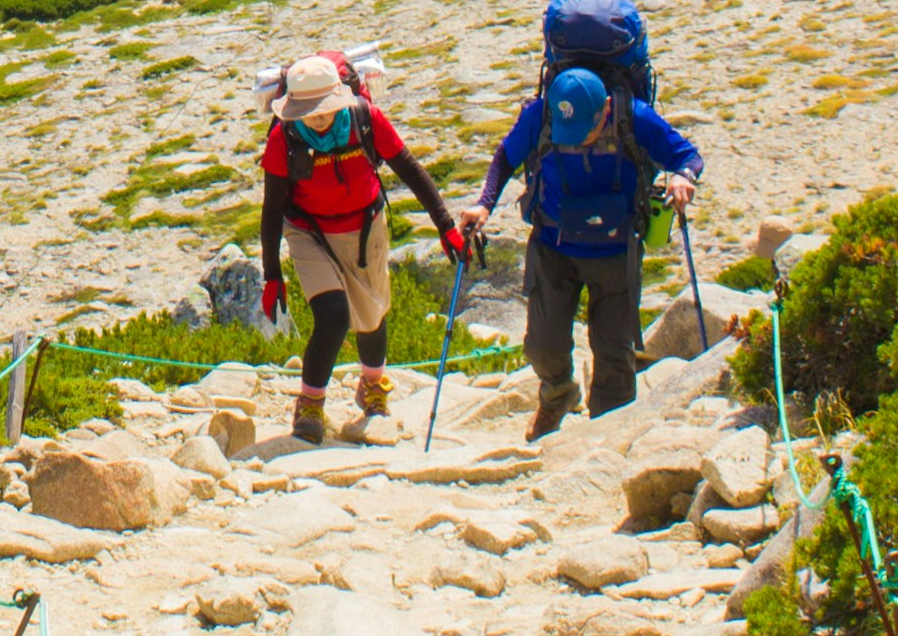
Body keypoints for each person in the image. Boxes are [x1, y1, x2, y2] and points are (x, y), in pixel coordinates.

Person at [462, 66, 702, 436]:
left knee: (613, 351)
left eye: (585, 132)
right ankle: (558, 395)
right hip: (553, 245)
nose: (579, 140)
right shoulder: (540, 115)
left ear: (606, 108)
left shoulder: (633, 116)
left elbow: (688, 156)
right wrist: (484, 204)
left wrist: (684, 177)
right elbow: (505, 159)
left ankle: (608, 436)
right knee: (543, 345)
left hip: (616, 250)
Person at [257, 54, 472, 445]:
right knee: (334, 316)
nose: (317, 118)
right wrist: (272, 274)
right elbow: (272, 210)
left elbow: (409, 168)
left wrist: (445, 226)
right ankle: (310, 405)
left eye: (323, 110)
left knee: (372, 316)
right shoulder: (283, 137)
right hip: (309, 232)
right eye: (307, 112)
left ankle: (372, 388)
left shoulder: (365, 119)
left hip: (365, 225)